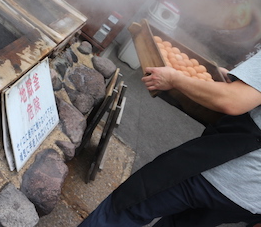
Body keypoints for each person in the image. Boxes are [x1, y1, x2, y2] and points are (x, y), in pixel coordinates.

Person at [78, 51, 261, 227]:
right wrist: (244, 80)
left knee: (128, 209)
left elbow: (232, 100)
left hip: (223, 170)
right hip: (250, 199)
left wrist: (175, 79)